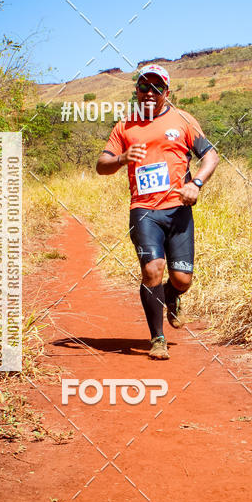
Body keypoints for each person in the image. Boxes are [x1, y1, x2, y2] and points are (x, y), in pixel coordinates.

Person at [96, 64, 219, 359]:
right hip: (144, 211)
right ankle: (157, 338)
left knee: (182, 279)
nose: (150, 93)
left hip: (178, 211)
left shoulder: (183, 120)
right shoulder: (124, 126)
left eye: (157, 88)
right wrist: (122, 158)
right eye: (144, 87)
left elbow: (211, 156)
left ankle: (172, 297)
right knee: (152, 270)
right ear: (136, 91)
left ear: (167, 91)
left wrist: (197, 183)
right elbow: (102, 166)